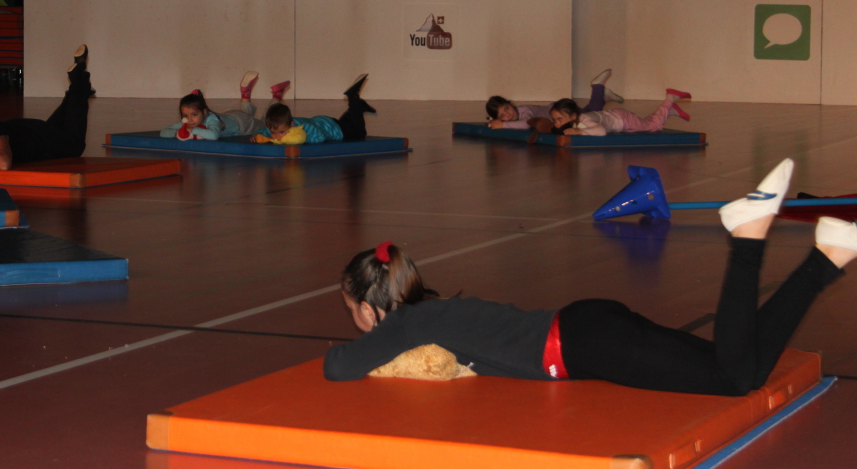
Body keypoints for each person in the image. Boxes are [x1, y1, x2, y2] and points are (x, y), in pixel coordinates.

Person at [325, 159, 856, 395]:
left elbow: (339, 368)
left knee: (732, 381)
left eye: (352, 310)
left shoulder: (406, 324)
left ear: (371, 308)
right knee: (742, 366)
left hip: (583, 345)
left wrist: (369, 343)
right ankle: (829, 255)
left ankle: (747, 237)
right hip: (589, 325)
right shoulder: (431, 312)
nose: (354, 320)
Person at [160, 73, 289, 140]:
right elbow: (163, 132)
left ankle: (276, 97)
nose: (190, 119)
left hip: (242, 125)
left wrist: (192, 130)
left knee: (267, 124)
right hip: (233, 116)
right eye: (185, 116)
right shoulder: (189, 122)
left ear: (204, 112)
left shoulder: (211, 120)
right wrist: (178, 132)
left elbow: (214, 135)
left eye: (194, 115)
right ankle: (245, 93)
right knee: (245, 114)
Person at [253, 74, 374, 146]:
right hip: (323, 121)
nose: (278, 137)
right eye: (274, 133)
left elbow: (320, 137)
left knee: (359, 133)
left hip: (336, 130)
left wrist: (302, 139)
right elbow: (264, 131)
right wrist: (257, 136)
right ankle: (358, 107)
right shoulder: (280, 124)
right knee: (347, 123)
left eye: (282, 132)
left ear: (292, 124)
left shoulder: (304, 128)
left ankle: (354, 97)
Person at [486, 69, 623, 129]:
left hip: (561, 110)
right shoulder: (511, 118)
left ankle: (598, 87)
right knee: (588, 112)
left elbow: (526, 124)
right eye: (502, 116)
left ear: (510, 103)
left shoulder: (525, 111)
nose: (508, 114)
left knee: (589, 116)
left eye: (507, 108)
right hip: (557, 110)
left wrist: (503, 125)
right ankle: (604, 96)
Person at [549, 88, 690, 136]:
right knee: (646, 123)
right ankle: (669, 111)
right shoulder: (576, 120)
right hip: (618, 116)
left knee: (654, 126)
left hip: (623, 120)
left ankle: (670, 98)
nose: (557, 124)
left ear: (573, 116)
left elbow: (601, 131)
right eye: (555, 120)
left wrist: (579, 132)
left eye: (560, 119)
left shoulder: (584, 119)